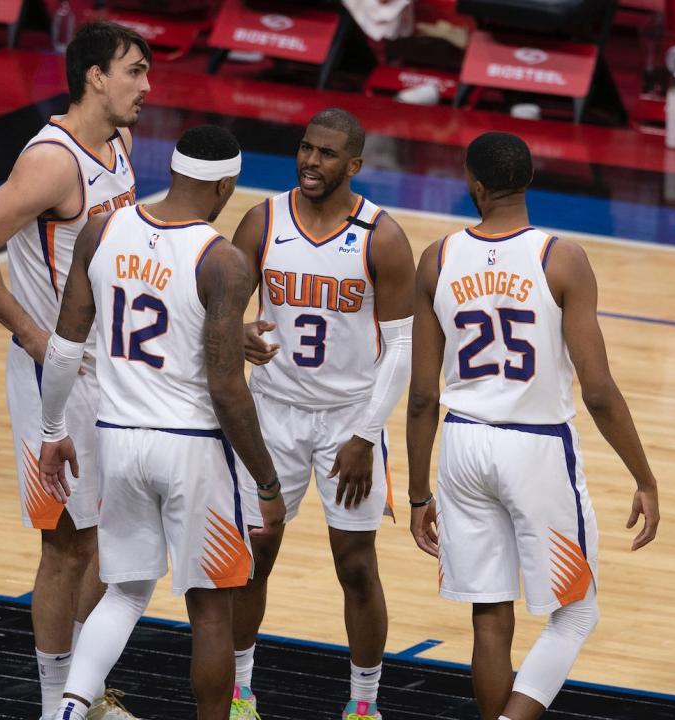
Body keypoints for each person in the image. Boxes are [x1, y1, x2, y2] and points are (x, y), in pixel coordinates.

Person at [406, 131, 660, 720]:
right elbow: (598, 391)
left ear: (474, 183)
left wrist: (420, 491)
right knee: (576, 613)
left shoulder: (437, 258)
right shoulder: (560, 258)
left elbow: (421, 397)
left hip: (462, 441)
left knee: (490, 615)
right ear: (529, 180)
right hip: (536, 446)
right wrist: (644, 476)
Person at [36, 124, 286, 720]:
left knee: (122, 593)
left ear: (172, 171)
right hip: (191, 447)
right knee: (211, 610)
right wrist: (268, 484)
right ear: (227, 184)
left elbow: (66, 344)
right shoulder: (221, 259)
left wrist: (50, 431)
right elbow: (227, 390)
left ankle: (66, 710)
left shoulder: (103, 229)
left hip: (117, 438)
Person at [0, 21, 151, 720]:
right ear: (95, 75)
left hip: (113, 372)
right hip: (55, 380)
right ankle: (55, 703)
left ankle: (80, 692)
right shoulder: (53, 161)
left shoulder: (119, 144)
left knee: (112, 540)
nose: (146, 88)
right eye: (135, 72)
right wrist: (34, 336)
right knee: (67, 547)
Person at [230, 108, 415, 720]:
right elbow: (218, 310)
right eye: (306, 148)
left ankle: (364, 707)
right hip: (271, 413)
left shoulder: (381, 236)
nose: (311, 161)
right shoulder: (262, 219)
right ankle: (239, 695)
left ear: (354, 164)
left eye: (327, 153)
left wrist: (366, 434)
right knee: (253, 554)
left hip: (348, 421)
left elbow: (403, 348)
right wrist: (239, 334)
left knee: (356, 566)